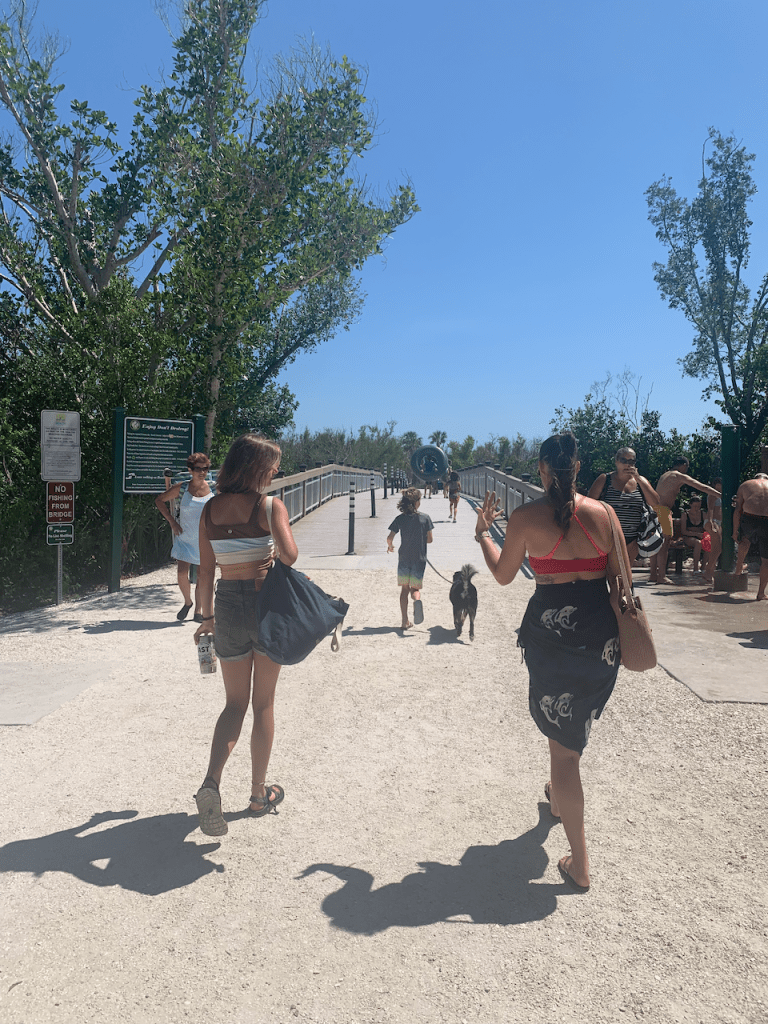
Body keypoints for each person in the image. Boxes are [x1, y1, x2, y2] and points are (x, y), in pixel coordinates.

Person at [474, 433, 630, 894]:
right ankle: (558, 801)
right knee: (567, 730)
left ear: (542, 470)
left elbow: (503, 575)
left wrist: (482, 534)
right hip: (600, 637)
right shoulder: (604, 515)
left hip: (552, 638)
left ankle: (580, 865)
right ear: (577, 469)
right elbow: (621, 580)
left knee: (564, 751)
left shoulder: (525, 518)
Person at [191, 434, 298, 836]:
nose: (275, 472)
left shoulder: (210, 510)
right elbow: (290, 555)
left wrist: (206, 618)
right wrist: (269, 553)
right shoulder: (269, 506)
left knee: (233, 704)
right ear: (256, 468)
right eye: (272, 466)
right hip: (264, 603)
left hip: (227, 604)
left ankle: (211, 783)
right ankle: (258, 794)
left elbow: (205, 571)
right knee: (263, 703)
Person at [155, 452, 214, 621]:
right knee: (181, 573)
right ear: (190, 470)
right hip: (185, 538)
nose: (202, 472)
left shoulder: (214, 488)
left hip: (205, 540)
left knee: (202, 576)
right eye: (198, 469)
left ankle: (198, 611)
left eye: (205, 468)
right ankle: (188, 602)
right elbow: (159, 500)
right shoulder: (182, 488)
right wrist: (172, 522)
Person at [648, 457, 721, 584]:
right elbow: (701, 487)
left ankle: (653, 574)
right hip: (663, 511)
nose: (687, 470)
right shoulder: (678, 476)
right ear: (683, 465)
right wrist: (720, 495)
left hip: (654, 510)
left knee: (656, 543)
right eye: (687, 467)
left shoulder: (665, 475)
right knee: (665, 544)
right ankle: (661, 576)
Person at [588, 447, 659, 565]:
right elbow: (589, 505)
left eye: (631, 461)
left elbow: (655, 502)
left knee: (625, 572)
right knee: (609, 571)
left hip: (633, 539)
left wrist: (639, 479)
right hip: (608, 537)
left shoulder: (640, 482)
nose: (627, 464)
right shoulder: (605, 480)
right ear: (616, 461)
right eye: (623, 460)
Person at [386, 487, 434, 629]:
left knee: (404, 590)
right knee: (415, 589)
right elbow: (430, 540)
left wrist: (390, 546)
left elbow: (389, 538)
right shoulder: (425, 518)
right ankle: (416, 601)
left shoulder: (399, 519)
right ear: (416, 502)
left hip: (404, 559)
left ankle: (404, 621)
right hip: (419, 559)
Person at [732, 473, 768, 600]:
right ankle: (761, 593)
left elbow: (738, 510)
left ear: (756, 478)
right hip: (767, 520)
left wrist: (735, 531)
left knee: (745, 540)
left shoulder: (746, 484)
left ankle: (739, 567)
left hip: (749, 517)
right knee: (766, 561)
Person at [703, 479, 722, 583]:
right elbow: (710, 508)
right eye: (718, 484)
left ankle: (710, 572)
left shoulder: (721, 495)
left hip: (719, 522)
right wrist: (710, 521)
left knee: (716, 548)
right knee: (717, 548)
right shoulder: (712, 494)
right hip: (713, 521)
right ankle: (708, 570)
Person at [680, 496, 706, 574]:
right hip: (688, 537)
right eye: (695, 506)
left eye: (698, 506)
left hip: (701, 535)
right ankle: (695, 568)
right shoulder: (685, 514)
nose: (697, 508)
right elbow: (684, 531)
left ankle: (703, 567)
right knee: (698, 543)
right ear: (690, 505)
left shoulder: (703, 514)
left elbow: (707, 527)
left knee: (709, 542)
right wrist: (696, 534)